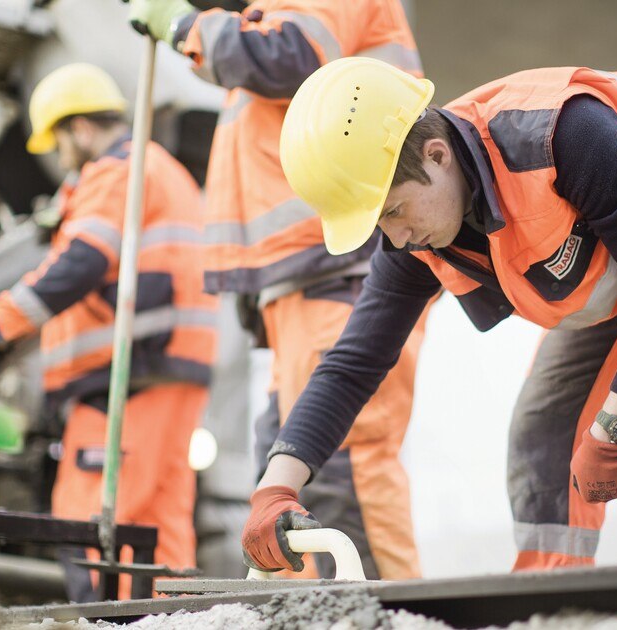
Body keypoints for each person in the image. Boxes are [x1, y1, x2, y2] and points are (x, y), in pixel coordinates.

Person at [241, 57, 617, 573]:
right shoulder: (417, 237)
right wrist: (275, 490)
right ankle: (552, 604)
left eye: (394, 211)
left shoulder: (561, 134)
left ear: (437, 153)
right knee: (544, 428)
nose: (396, 239)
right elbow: (353, 363)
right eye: (379, 226)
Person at [127, 0, 428, 580]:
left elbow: (293, 55)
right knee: (290, 480)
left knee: (343, 464)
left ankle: (388, 618)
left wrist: (187, 26)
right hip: (308, 275)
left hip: (341, 269)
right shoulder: (271, 11)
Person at [0, 63, 218, 598]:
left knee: (89, 524)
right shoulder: (161, 170)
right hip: (171, 371)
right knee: (158, 536)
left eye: (57, 142)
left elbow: (82, 261)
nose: (58, 157)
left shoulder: (115, 171)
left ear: (78, 129)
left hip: (125, 382)